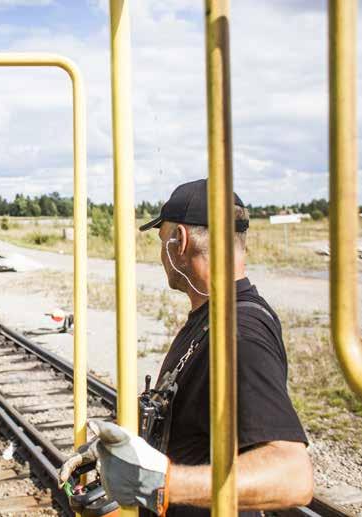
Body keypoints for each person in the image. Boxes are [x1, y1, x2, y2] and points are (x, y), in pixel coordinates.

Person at [59, 179, 313, 516]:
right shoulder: (210, 318)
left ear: (180, 240)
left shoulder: (240, 335)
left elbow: (293, 477)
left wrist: (162, 482)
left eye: (161, 239)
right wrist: (113, 445)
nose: (160, 252)